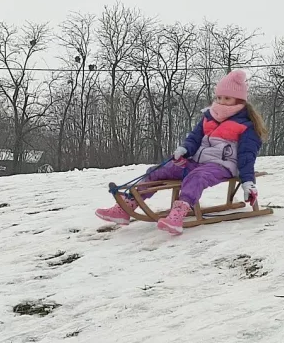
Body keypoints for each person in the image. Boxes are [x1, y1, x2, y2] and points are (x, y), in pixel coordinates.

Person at [95, 70, 265, 235]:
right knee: (159, 170)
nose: (221, 101)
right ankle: (126, 207)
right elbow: (194, 138)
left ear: (239, 100)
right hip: (197, 161)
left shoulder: (246, 126)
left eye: (227, 98)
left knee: (196, 177)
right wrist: (184, 150)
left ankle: (178, 214)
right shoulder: (209, 117)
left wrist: (248, 182)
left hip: (222, 166)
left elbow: (247, 157)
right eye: (219, 97)